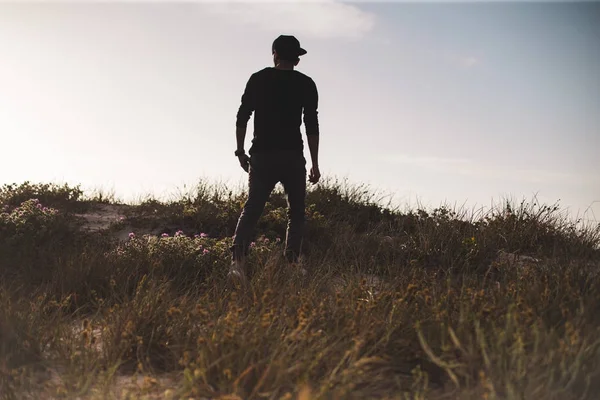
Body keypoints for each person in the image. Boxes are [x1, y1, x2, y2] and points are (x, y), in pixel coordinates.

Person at [228, 35, 321, 288]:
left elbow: (242, 116)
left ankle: (237, 264)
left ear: (275, 55)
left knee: (253, 208)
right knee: (296, 214)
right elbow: (311, 124)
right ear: (297, 59)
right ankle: (292, 264)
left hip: (262, 154)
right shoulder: (306, 84)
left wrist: (240, 151)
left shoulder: (258, 79)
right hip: (292, 155)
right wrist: (315, 162)